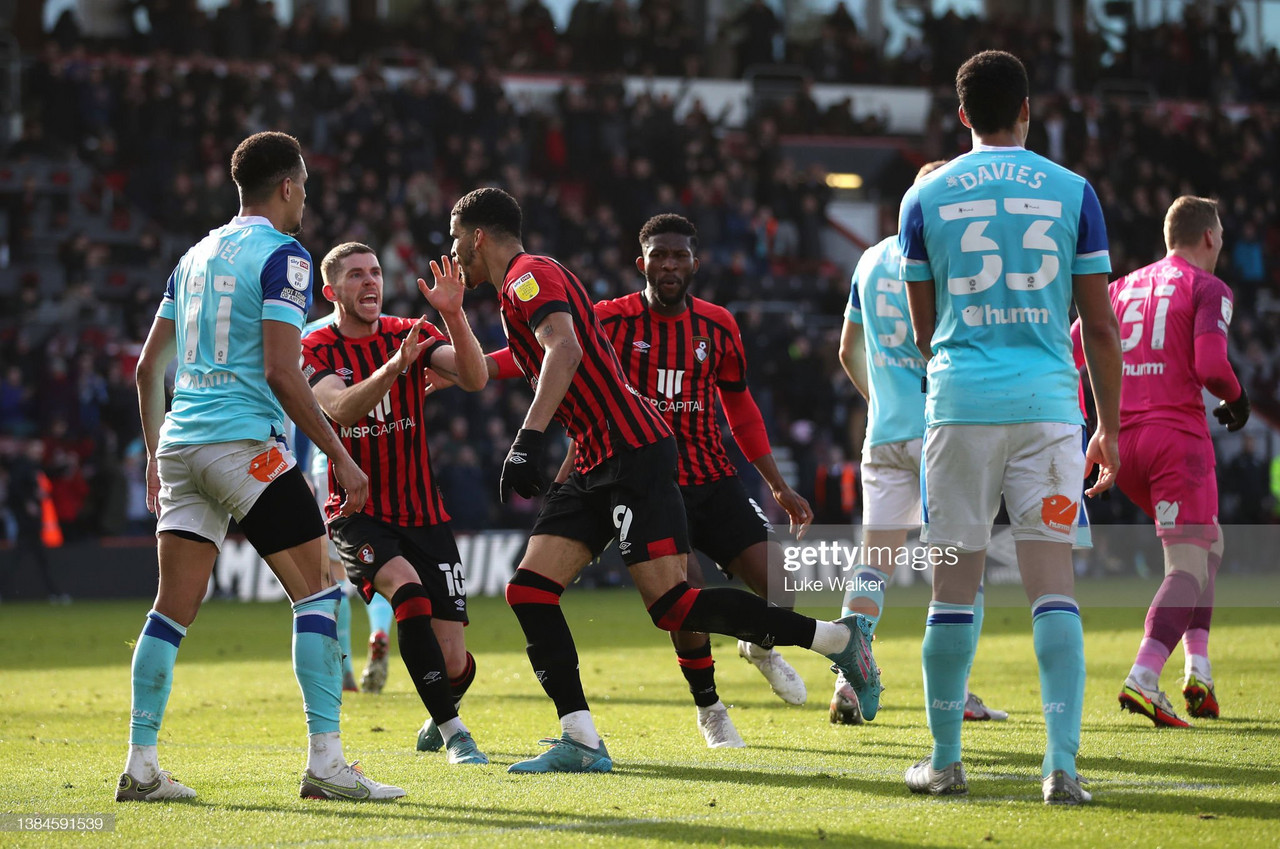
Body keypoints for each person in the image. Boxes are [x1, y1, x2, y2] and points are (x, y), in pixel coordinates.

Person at [446, 186, 879, 773]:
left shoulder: (527, 276)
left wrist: (527, 440)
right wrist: (435, 347)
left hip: (634, 451)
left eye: (455, 241)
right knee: (529, 589)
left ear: (477, 236)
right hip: (600, 457)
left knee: (676, 604)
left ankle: (835, 640)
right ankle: (582, 740)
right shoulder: (535, 288)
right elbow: (526, 357)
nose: (453, 253)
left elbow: (564, 348)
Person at [121, 131, 403, 802]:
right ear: (285, 186)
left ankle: (140, 764)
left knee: (170, 610)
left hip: (182, 444)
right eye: (302, 186)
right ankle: (327, 764)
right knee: (321, 591)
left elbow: (145, 368)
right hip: (245, 443)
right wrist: (339, 455)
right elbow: (282, 368)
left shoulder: (192, 258)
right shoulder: (286, 255)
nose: (305, 197)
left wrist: (156, 460)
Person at [898, 51, 1121, 805]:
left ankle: (946, 759)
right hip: (1053, 418)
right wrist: (1110, 430)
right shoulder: (1073, 192)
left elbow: (925, 332)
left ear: (961, 115)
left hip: (960, 410)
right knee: (1052, 589)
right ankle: (1060, 764)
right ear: (1027, 108)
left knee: (952, 592)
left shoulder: (924, 198)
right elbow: (1099, 325)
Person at [594, 213, 813, 747]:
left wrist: (778, 485)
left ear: (696, 262)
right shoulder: (610, 320)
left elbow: (740, 409)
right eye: (659, 255)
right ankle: (710, 707)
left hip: (714, 480)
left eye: (680, 255)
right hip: (650, 488)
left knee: (783, 583)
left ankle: (759, 644)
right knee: (686, 595)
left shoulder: (718, 325)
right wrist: (470, 364)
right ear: (640, 262)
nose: (669, 264)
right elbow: (548, 349)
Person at [301, 242, 490, 765]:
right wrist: (393, 368)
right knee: (407, 594)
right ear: (330, 290)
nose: (369, 283)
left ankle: (439, 708)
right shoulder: (315, 344)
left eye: (376, 273)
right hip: (358, 512)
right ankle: (457, 735)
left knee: (454, 661)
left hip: (425, 512)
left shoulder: (409, 330)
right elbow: (339, 408)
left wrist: (453, 315)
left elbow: (474, 377)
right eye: (356, 275)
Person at [836, 160, 1007, 726]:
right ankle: (955, 693)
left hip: (883, 432)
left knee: (874, 563)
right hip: (943, 429)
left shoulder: (868, 257)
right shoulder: (942, 252)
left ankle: (848, 680)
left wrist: (880, 399)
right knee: (959, 566)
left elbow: (846, 351)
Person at [1106, 196, 1247, 727]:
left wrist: (1099, 427)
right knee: (1187, 564)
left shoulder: (1121, 288)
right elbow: (1211, 366)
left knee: (1211, 540)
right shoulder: (1208, 288)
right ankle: (1144, 677)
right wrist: (1237, 397)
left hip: (1127, 447)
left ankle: (1199, 670)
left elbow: (1076, 349)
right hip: (1177, 442)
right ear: (1210, 237)